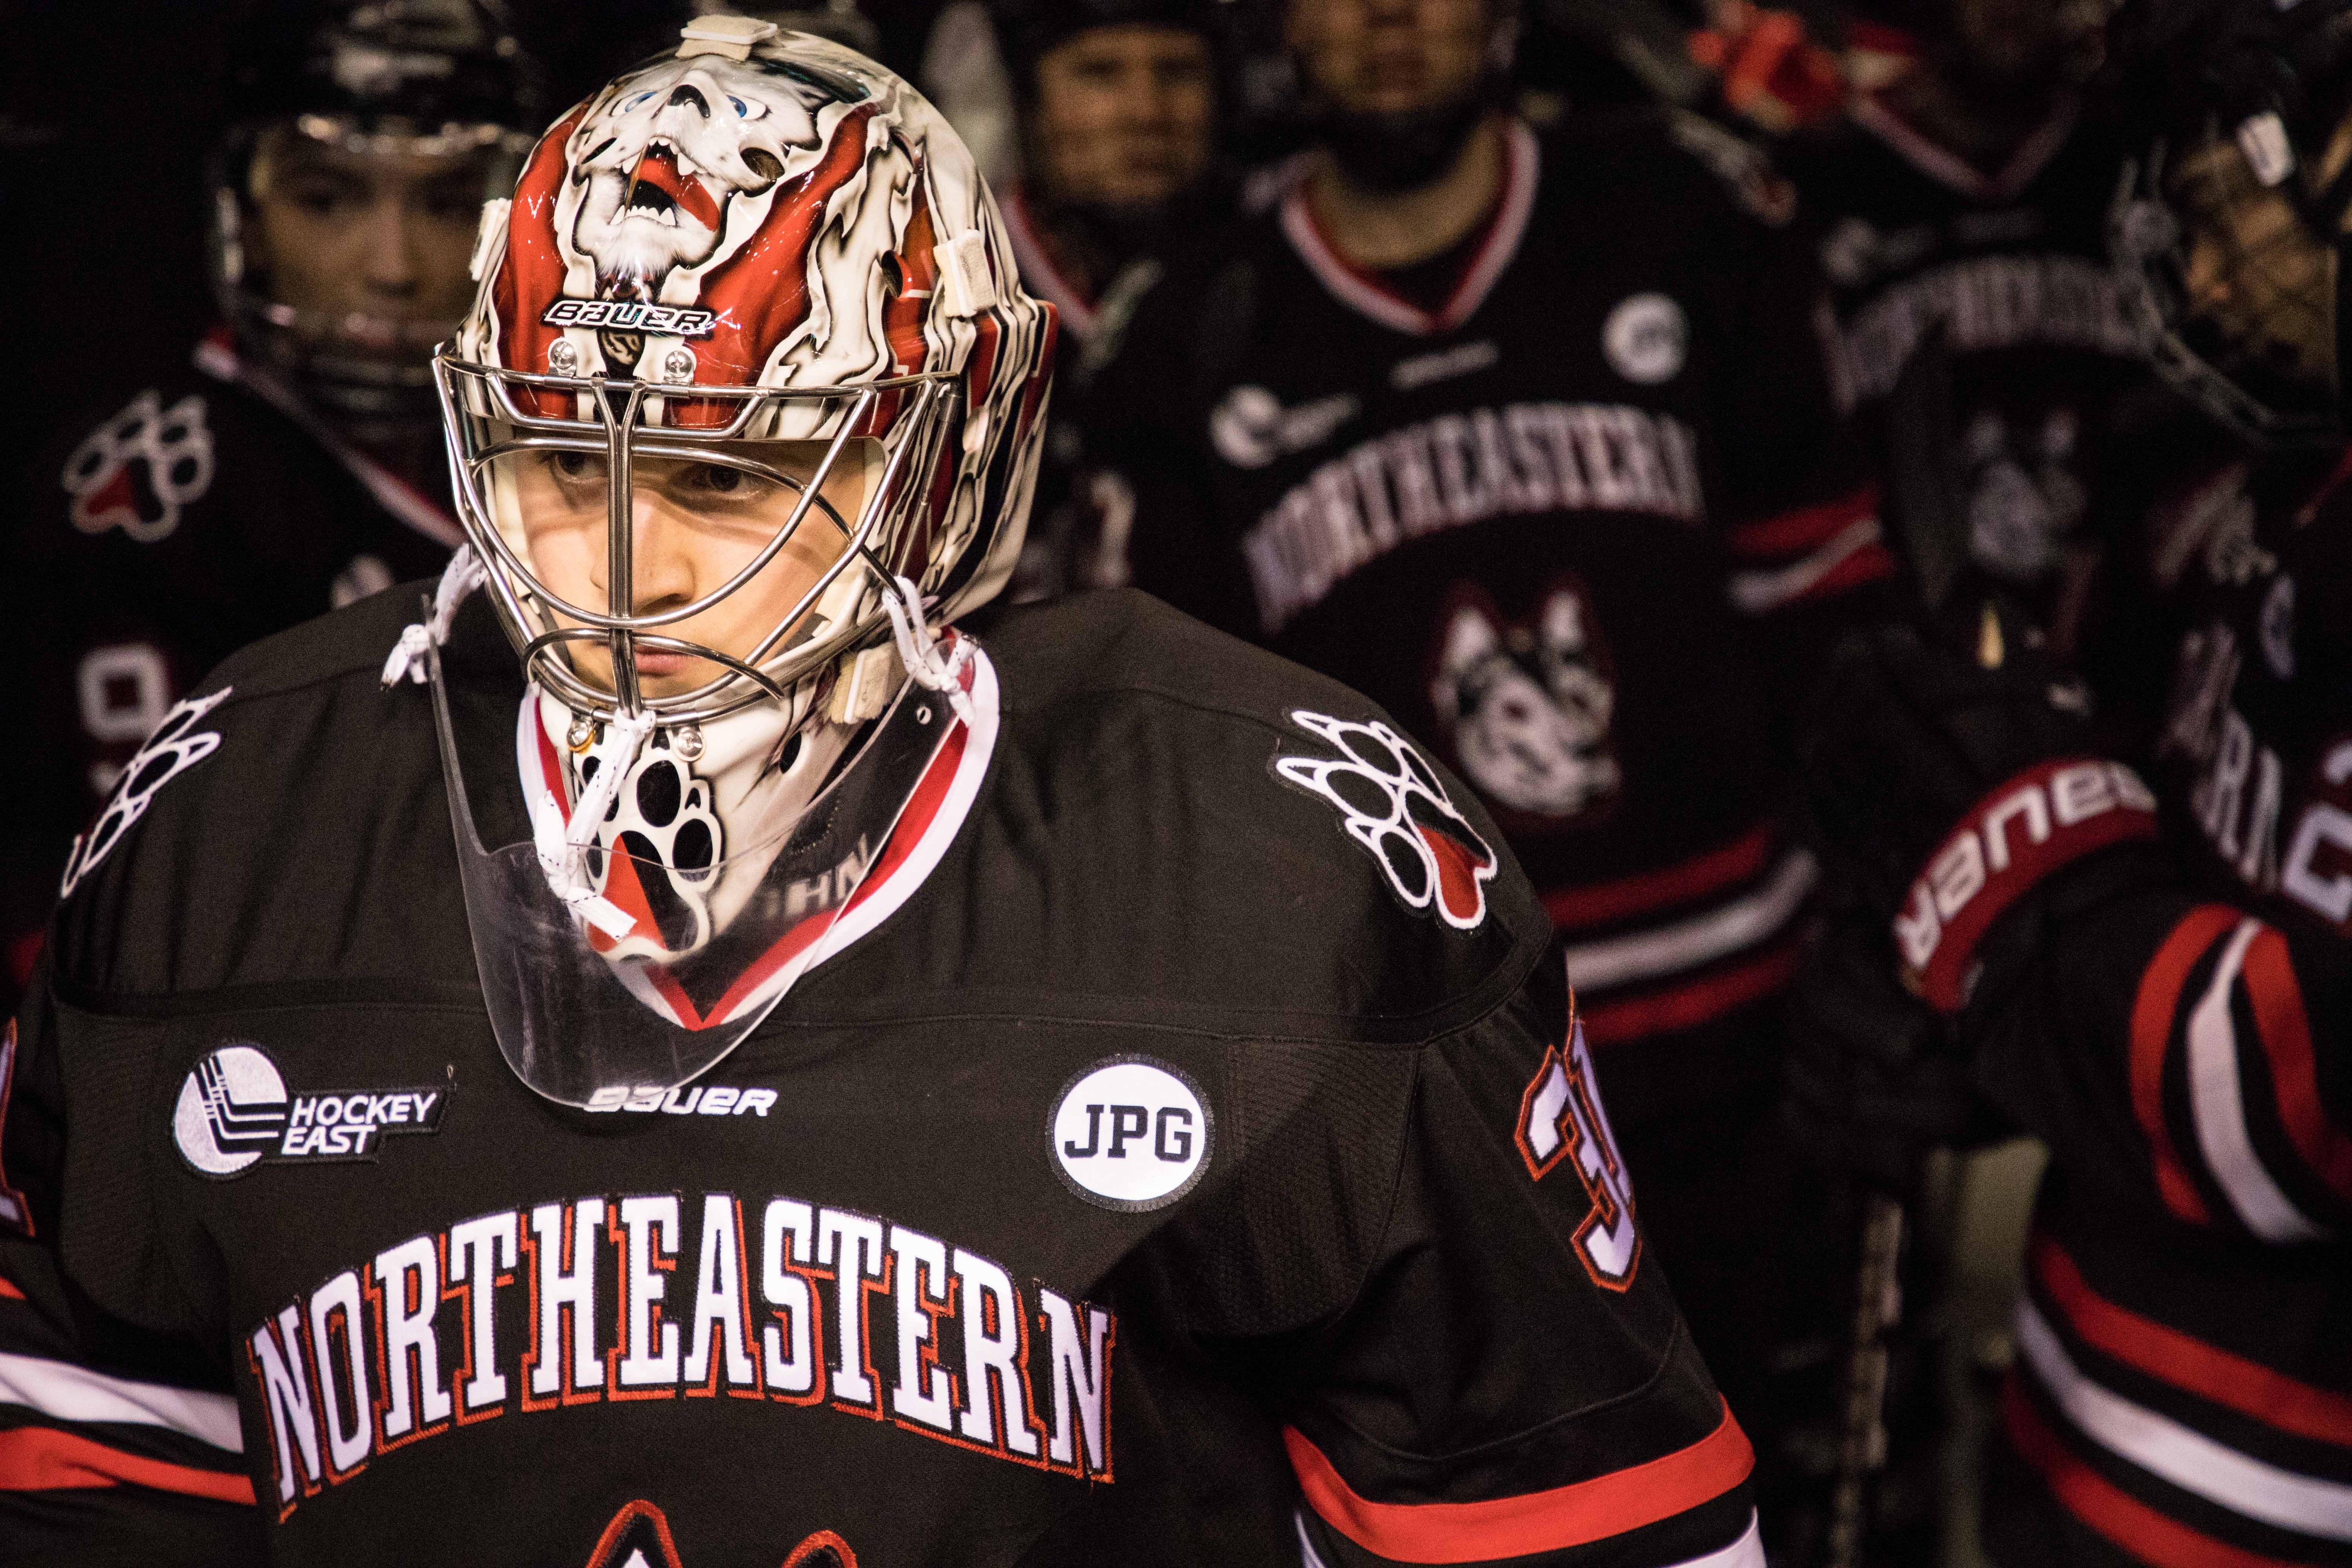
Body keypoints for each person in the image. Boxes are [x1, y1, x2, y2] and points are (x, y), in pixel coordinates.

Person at [0, 19, 1764, 1564]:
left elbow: (1565, 1526)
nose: (614, 568)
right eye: (553, 450)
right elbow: (96, 1478)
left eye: (721, 467)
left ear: (941, 455)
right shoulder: (223, 830)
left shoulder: (1285, 863)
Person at [1080, 0, 1889, 1495]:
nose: (1390, 19)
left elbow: (1836, 622)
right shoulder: (1187, 332)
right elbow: (1178, 796)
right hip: (1424, 1118)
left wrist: (1884, 933)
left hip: (1752, 1058)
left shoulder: (1683, 217)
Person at [1798, 1, 2352, 1561]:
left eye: (2258, 229)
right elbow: (2191, 870)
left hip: (2270, 1493)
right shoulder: (2274, 474)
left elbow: (2276, 1093)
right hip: (2103, 1402)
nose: (2217, 277)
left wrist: (2000, 883)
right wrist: (1991, 1028)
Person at [0, 0, 543, 1011]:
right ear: (238, 210)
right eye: (330, 199)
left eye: (447, 201)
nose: (392, 266)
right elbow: (114, 932)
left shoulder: (581, 468)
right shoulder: (158, 506)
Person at [987, 0, 1224, 599]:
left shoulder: (1267, 284)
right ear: (1028, 105)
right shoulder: (940, 294)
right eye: (1100, 74)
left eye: (1177, 73)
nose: (1146, 114)